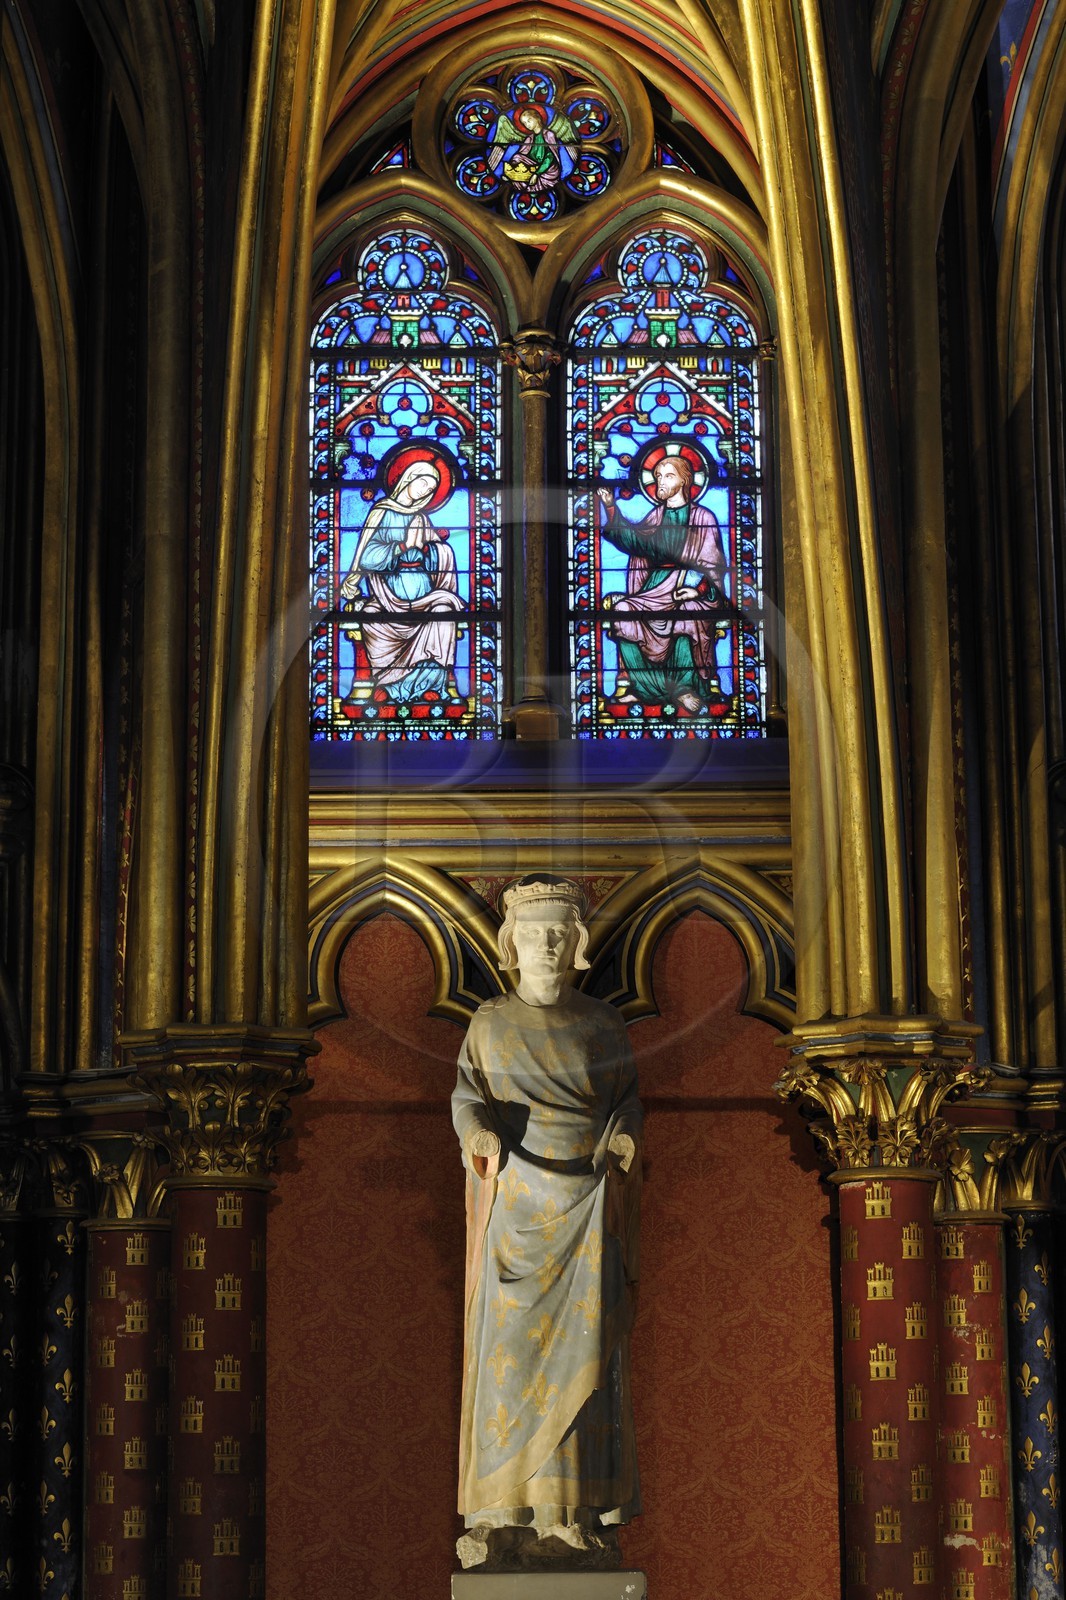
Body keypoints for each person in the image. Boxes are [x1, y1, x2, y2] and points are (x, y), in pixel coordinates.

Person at [452, 876, 642, 1571]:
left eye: (559, 932)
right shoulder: (489, 1023)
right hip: (516, 1214)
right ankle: (502, 1516)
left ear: (576, 944)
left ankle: (570, 1516)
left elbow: (626, 1101)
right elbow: (467, 1096)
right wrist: (477, 1133)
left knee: (582, 1361)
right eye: (534, 932)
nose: (547, 943)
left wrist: (624, 1138)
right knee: (509, 1369)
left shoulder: (603, 1024)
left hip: (586, 1209)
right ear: (512, 942)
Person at [597, 455, 727, 713]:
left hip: (689, 586)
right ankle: (643, 687)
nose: (661, 482)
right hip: (654, 588)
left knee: (686, 615)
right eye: (658, 476)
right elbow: (635, 541)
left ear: (684, 480)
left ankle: (684, 689)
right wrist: (611, 508)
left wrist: (697, 591)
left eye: (668, 476)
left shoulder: (703, 517)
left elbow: (714, 567)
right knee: (622, 612)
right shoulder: (656, 516)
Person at [339, 460, 464, 702]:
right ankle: (388, 685)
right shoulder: (382, 513)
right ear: (409, 479)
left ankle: (432, 686)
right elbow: (367, 557)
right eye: (423, 483)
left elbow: (437, 554)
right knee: (371, 618)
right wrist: (402, 547)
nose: (424, 491)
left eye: (430, 489)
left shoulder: (421, 519)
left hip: (425, 595)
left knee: (443, 612)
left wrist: (432, 550)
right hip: (387, 596)